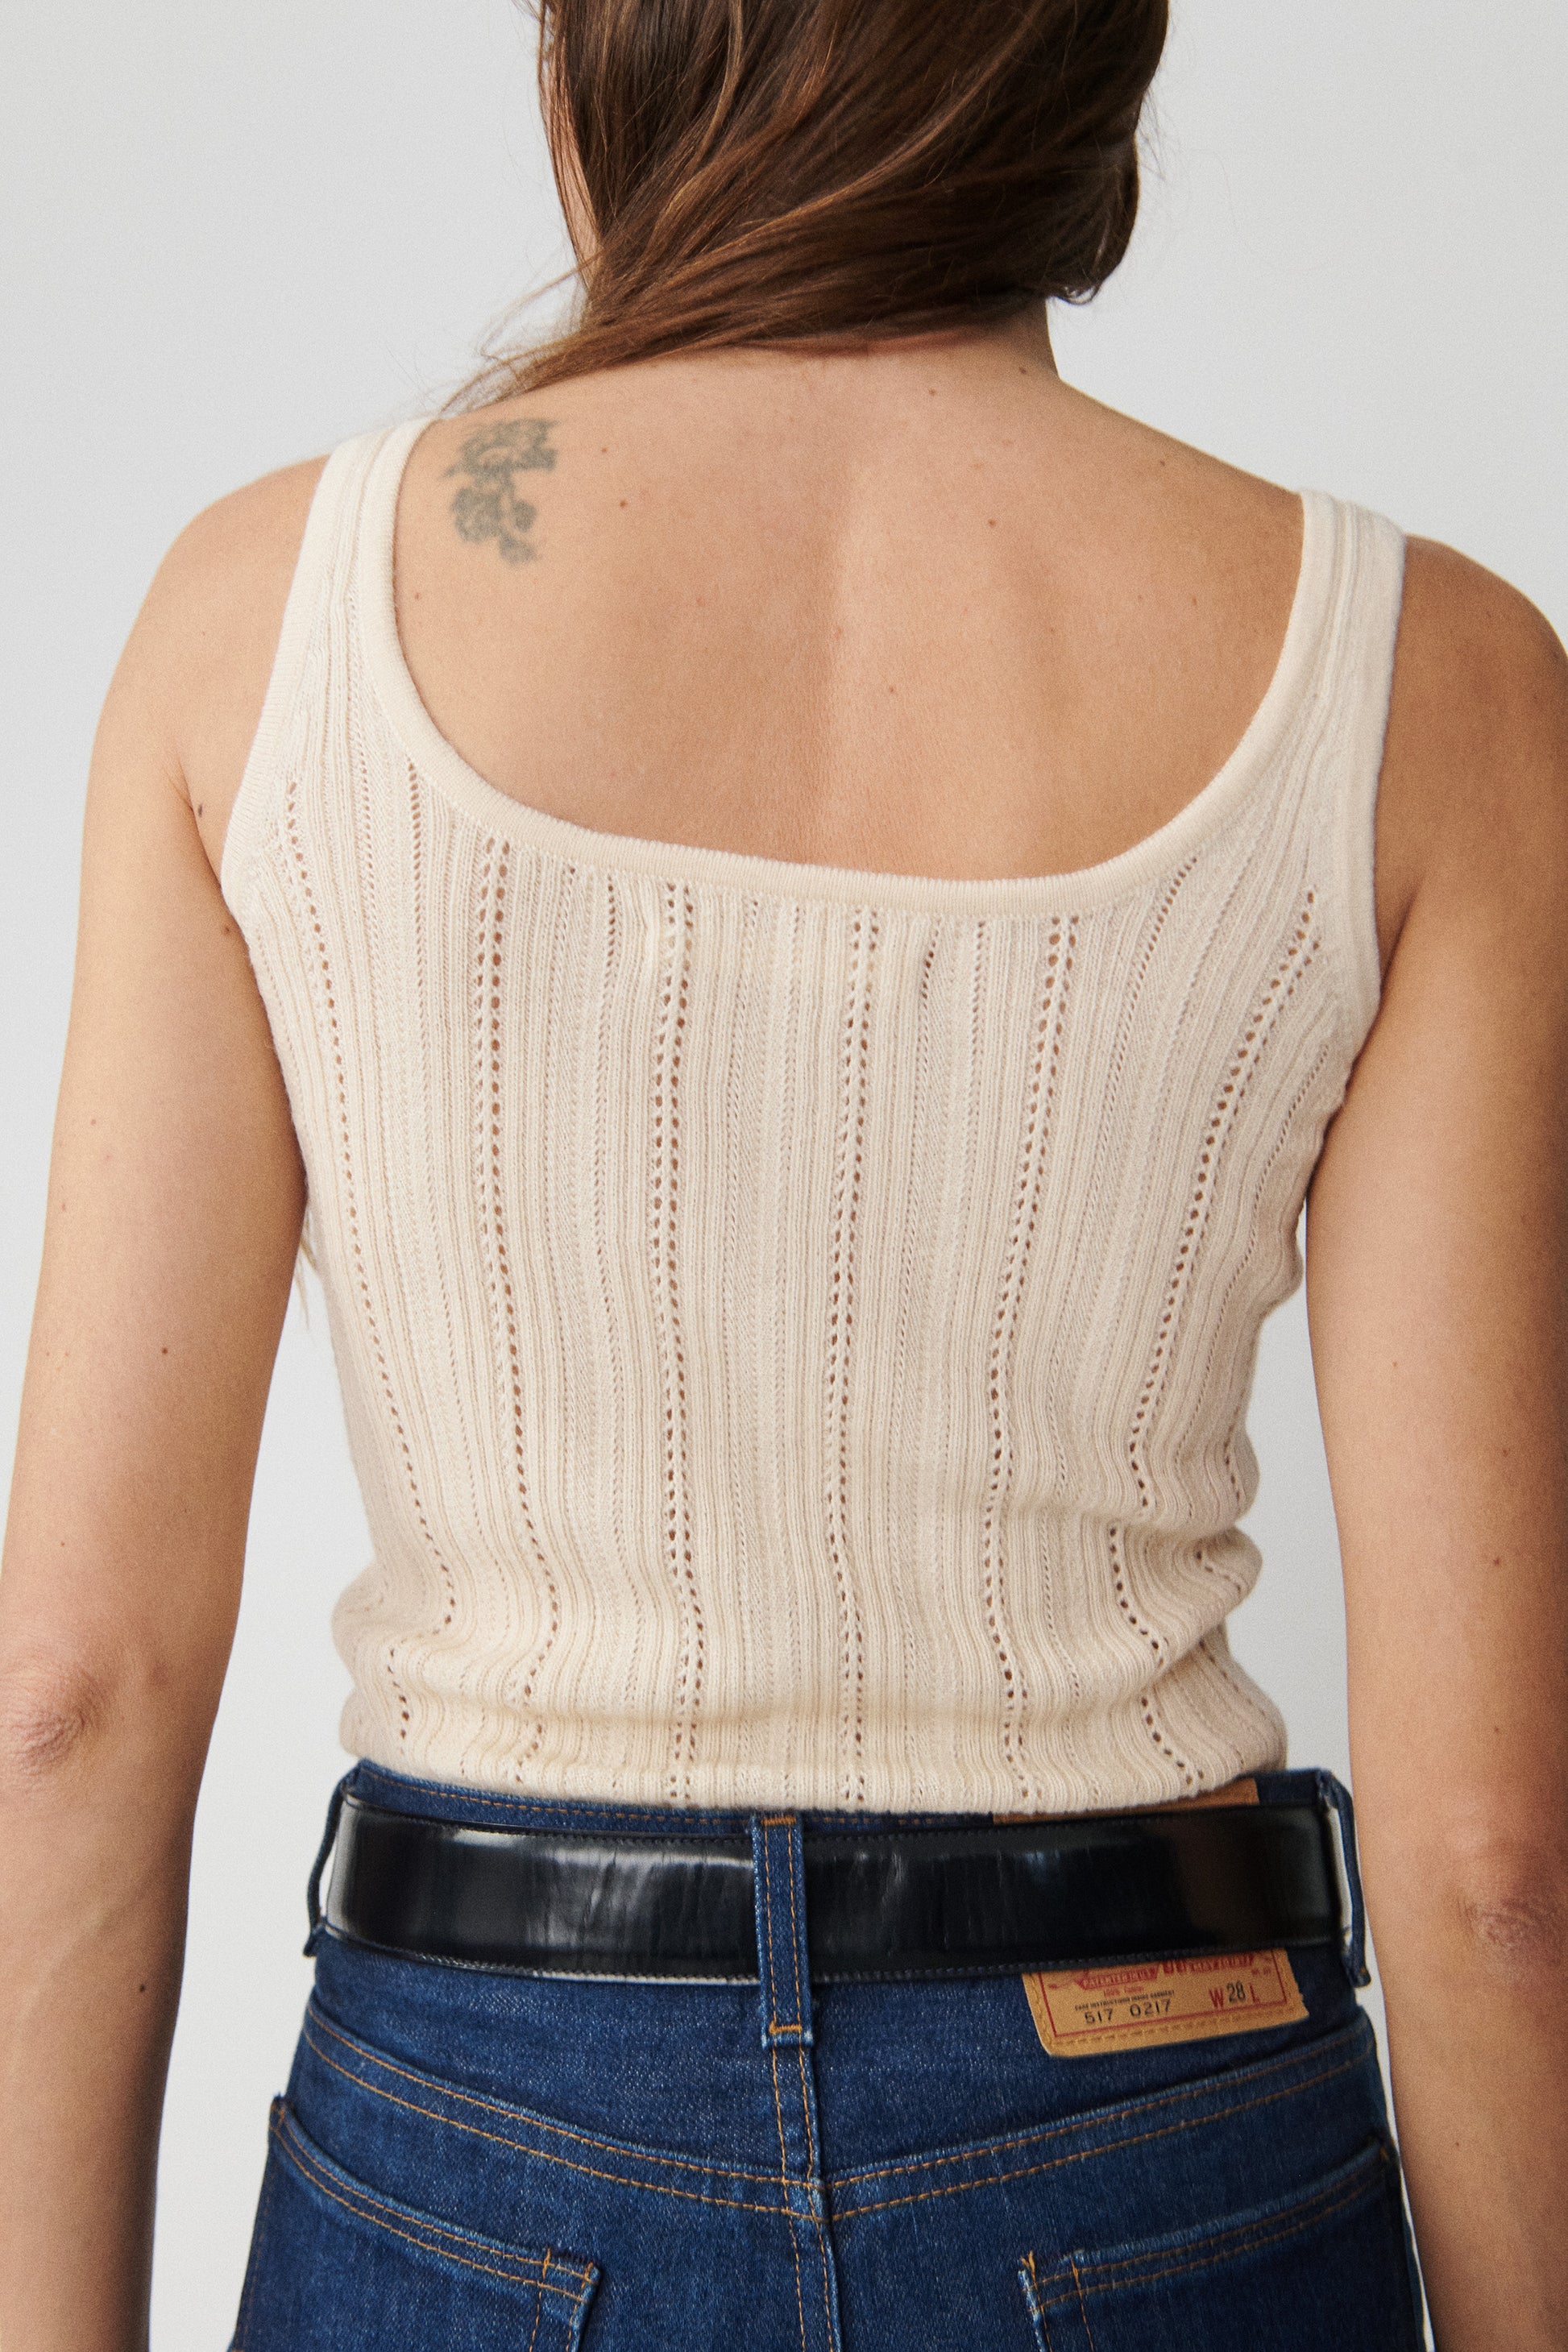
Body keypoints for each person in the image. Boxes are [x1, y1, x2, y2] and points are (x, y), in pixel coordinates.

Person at [2, 0, 1565, 2343]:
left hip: (474, 2121)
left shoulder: (266, 624)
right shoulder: (1430, 681)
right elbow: (1493, 1865)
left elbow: (71, 1692)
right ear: (1090, 68)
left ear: (601, 63)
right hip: (1157, 2117)